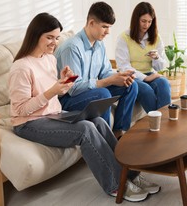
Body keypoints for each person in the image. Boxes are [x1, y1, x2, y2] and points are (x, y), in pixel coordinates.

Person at [9, 13, 160, 202]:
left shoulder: (48, 59)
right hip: (28, 123)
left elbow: (57, 93)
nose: (54, 43)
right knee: (85, 129)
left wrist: (64, 82)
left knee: (97, 121)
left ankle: (131, 175)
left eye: (56, 38)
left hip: (52, 114)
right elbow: (21, 110)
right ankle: (115, 184)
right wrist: (52, 91)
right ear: (35, 34)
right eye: (49, 37)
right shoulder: (21, 67)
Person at [55, 2, 138, 139]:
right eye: (104, 27)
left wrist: (119, 76)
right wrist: (107, 81)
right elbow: (73, 88)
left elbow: (105, 72)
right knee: (103, 93)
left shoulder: (99, 45)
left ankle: (119, 133)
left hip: (90, 92)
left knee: (130, 86)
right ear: (92, 23)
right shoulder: (72, 48)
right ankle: (104, 141)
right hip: (68, 99)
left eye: (109, 27)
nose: (108, 32)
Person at [115, 2, 171, 113]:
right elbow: (123, 66)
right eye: (143, 21)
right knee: (146, 91)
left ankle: (163, 124)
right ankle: (158, 122)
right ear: (136, 20)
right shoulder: (123, 38)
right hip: (131, 77)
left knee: (164, 84)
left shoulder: (156, 37)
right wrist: (145, 78)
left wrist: (156, 58)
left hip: (150, 73)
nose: (146, 25)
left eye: (150, 21)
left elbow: (160, 67)